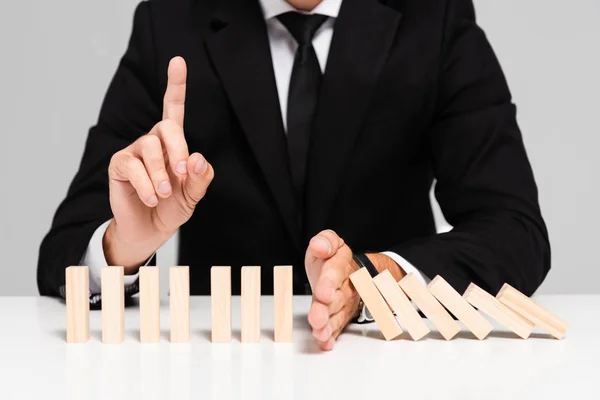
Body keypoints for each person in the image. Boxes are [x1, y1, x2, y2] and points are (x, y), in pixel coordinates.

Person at [37, 0, 550, 350]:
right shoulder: (171, 21)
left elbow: (515, 232)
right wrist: (122, 245)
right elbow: (62, 252)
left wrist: (373, 279)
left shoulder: (432, 17)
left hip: (382, 364)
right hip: (218, 365)